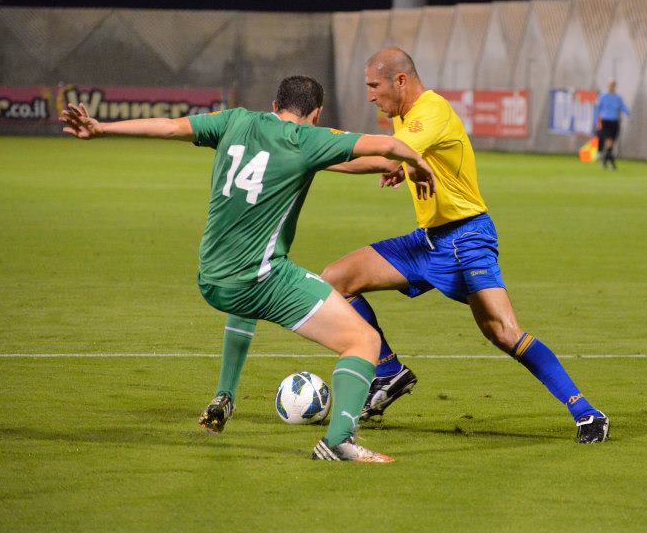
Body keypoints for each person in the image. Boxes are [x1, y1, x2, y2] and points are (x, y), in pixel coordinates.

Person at [59, 75, 437, 463]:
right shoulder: (307, 139)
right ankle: (340, 440)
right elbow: (390, 145)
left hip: (212, 279)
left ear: (274, 105)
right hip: (262, 280)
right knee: (363, 341)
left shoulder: (235, 120)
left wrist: (101, 128)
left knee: (245, 296)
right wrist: (417, 164)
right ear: (317, 113)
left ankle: (224, 395)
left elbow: (170, 126)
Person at [321, 47, 609, 443]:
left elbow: (386, 156)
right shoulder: (404, 115)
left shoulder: (431, 111)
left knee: (503, 331)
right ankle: (388, 372)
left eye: (374, 85)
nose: (370, 95)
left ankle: (586, 412)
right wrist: (408, 168)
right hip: (427, 241)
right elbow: (408, 154)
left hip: (467, 238)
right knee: (336, 279)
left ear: (400, 81)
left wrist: (313, 155)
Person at [593, 80, 630, 170]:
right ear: (608, 86)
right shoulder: (603, 97)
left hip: (615, 121)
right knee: (609, 141)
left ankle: (604, 161)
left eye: (613, 85)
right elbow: (598, 109)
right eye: (610, 85)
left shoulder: (618, 97)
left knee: (611, 143)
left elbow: (622, 106)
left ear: (615, 86)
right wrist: (596, 121)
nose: (611, 87)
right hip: (606, 121)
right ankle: (613, 164)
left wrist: (628, 112)